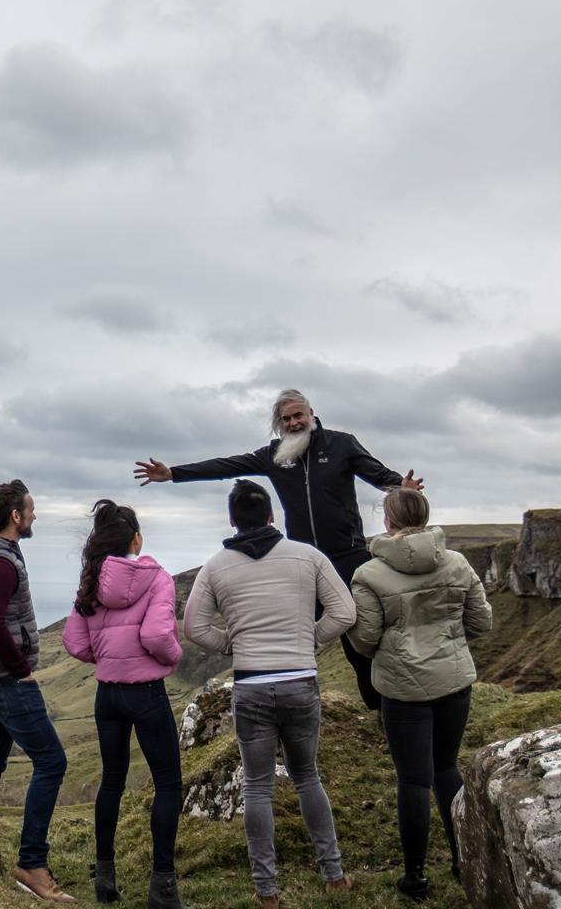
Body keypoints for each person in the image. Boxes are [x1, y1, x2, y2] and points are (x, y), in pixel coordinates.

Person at [135, 388, 421, 711]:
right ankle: (289, 708)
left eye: (298, 415)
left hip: (348, 556)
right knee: (291, 638)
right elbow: (227, 466)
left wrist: (401, 486)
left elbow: (377, 474)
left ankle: (381, 710)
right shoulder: (275, 455)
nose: (293, 423)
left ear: (311, 414)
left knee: (361, 643)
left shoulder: (342, 445)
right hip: (302, 562)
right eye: (285, 419)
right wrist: (173, 474)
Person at [183, 480, 357, 905]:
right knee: (307, 777)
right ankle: (333, 875)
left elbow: (193, 627)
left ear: (231, 520)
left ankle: (266, 891)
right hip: (300, 680)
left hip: (252, 685)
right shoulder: (307, 555)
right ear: (271, 515)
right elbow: (345, 612)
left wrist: (231, 644)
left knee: (257, 788)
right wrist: (310, 638)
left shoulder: (217, 566)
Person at [347, 488, 492, 901]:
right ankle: (463, 858)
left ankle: (414, 878)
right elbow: (481, 622)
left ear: (388, 522)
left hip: (402, 688)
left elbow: (366, 638)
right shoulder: (458, 563)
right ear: (425, 518)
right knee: (446, 770)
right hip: (453, 682)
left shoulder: (368, 574)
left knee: (413, 780)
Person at [60, 500, 190, 909]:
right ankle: (163, 889)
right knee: (168, 783)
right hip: (146, 692)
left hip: (107, 694)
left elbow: (75, 642)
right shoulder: (157, 578)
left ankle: (105, 877)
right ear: (136, 538)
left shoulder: (90, 582)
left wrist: (109, 658)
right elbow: (156, 636)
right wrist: (173, 657)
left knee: (111, 781)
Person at [0, 479, 75, 902]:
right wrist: (21, 669)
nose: (35, 515)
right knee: (52, 762)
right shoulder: (1, 563)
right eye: (31, 509)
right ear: (15, 517)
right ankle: (32, 863)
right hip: (6, 682)